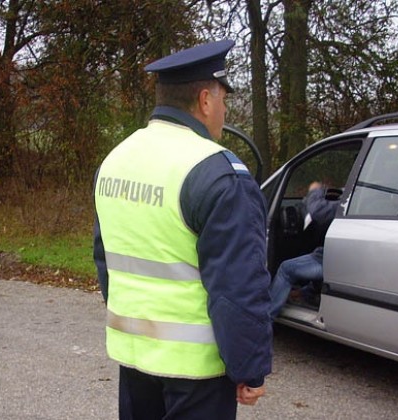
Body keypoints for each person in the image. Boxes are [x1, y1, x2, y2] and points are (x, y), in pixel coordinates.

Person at [92, 39, 272, 419]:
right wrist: (249, 367)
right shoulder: (216, 172)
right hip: (196, 373)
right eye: (223, 98)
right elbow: (237, 287)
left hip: (135, 358)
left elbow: (105, 259)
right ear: (205, 100)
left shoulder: (115, 160)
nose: (224, 110)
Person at [269, 181, 339, 318]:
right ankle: (304, 293)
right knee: (316, 252)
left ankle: (265, 319)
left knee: (286, 269)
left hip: (337, 257)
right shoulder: (380, 202)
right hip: (340, 253)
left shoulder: (358, 201)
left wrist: (315, 190)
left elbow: (318, 211)